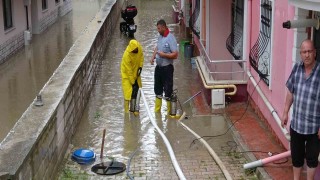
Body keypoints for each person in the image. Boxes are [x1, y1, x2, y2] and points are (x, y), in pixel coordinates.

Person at [281, 39, 320, 180]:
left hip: (314, 128)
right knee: (296, 157)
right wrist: (285, 112)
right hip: (297, 124)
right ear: (300, 54)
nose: (307, 55)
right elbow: (291, 91)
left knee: (312, 159)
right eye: (304, 52)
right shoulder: (297, 68)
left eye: (310, 51)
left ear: (315, 53)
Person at [150, 19, 178, 114]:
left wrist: (164, 55)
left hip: (167, 69)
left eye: (159, 28)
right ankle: (157, 113)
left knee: (168, 91)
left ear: (163, 27)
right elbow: (157, 47)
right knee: (157, 90)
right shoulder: (160, 37)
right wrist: (153, 57)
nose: (158, 30)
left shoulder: (171, 38)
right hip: (158, 68)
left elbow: (175, 55)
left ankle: (170, 113)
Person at [121, 39, 144, 113]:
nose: (136, 50)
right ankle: (127, 112)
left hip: (136, 72)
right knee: (127, 93)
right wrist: (133, 82)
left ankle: (136, 109)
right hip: (127, 75)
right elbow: (129, 71)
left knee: (138, 90)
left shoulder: (139, 47)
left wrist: (140, 67)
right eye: (134, 50)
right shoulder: (126, 55)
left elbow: (141, 57)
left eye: (136, 49)